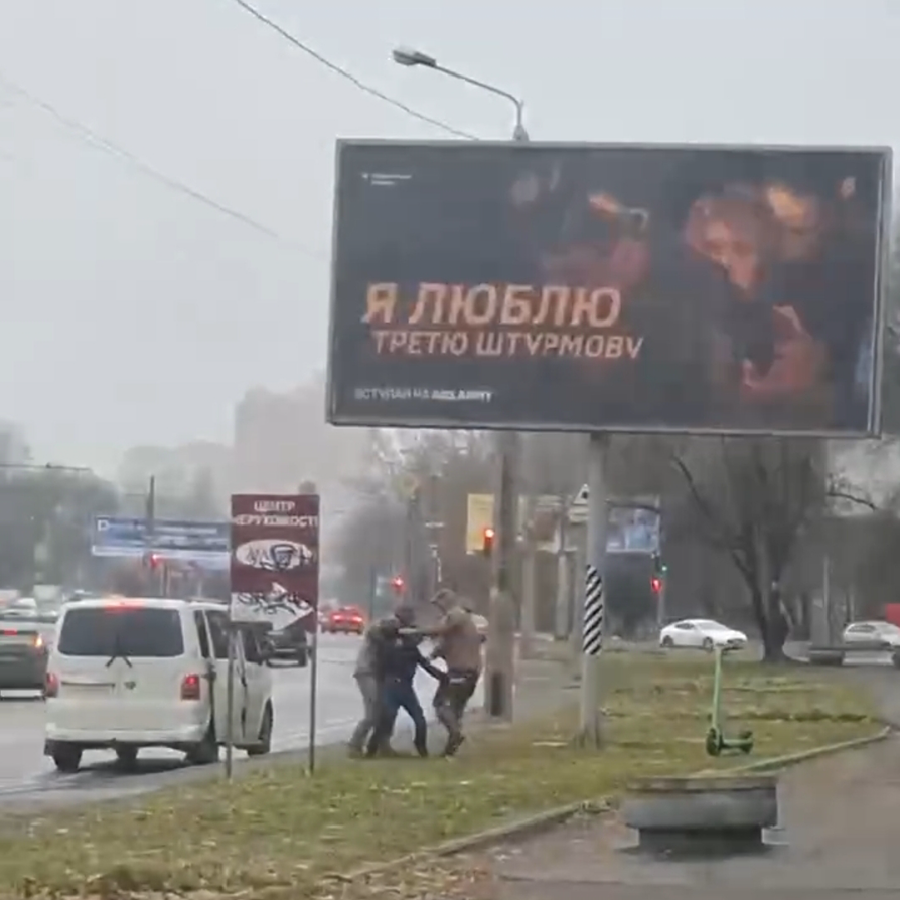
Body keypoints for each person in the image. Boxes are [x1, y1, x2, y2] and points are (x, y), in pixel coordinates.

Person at [365, 606, 446, 758]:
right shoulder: (399, 646)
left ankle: (372, 750)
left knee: (389, 719)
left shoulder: (391, 645)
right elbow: (425, 664)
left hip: (397, 685)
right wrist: (441, 676)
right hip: (397, 685)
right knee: (411, 718)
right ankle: (420, 748)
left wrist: (441, 676)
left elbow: (424, 664)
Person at [423, 589, 483, 757]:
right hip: (470, 670)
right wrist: (430, 657)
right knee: (456, 710)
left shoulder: (456, 614)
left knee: (441, 704)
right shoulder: (461, 621)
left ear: (446, 601)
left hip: (461, 670)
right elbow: (445, 645)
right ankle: (450, 750)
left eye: (438, 604)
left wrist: (415, 632)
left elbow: (440, 630)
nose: (438, 609)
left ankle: (455, 734)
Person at [347, 615, 399, 757]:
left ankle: (383, 745)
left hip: (377, 674)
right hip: (366, 673)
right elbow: (376, 634)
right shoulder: (375, 634)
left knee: (384, 712)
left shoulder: (385, 637)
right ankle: (354, 745)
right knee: (372, 713)